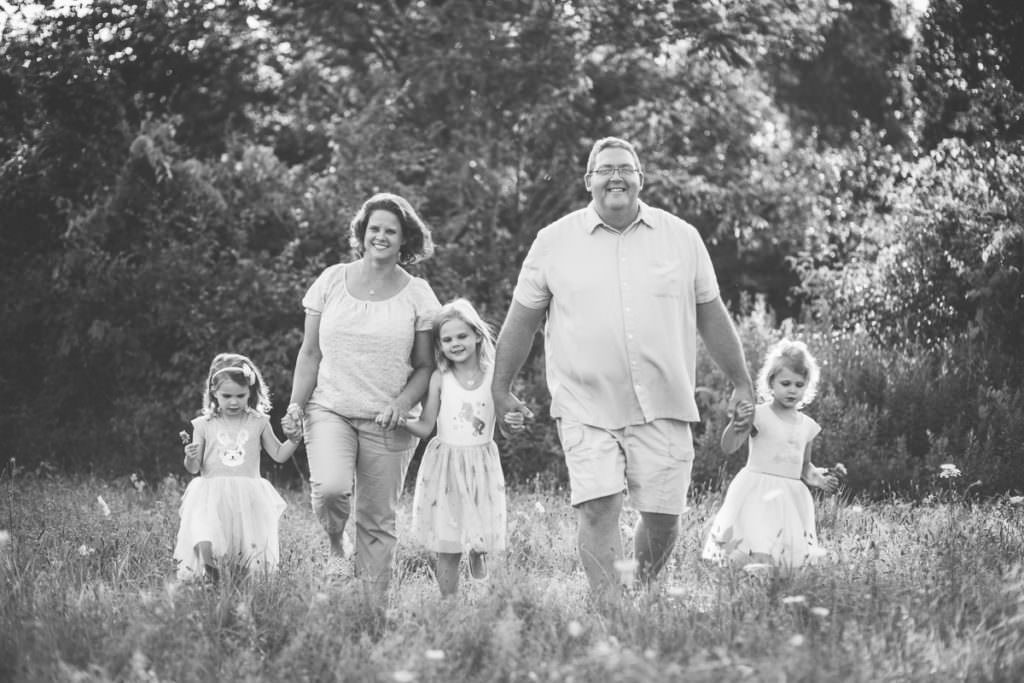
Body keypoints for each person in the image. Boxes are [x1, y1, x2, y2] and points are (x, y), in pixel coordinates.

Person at [492, 136, 755, 601]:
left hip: (665, 402)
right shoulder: (554, 242)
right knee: (598, 507)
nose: (616, 176)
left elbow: (712, 314)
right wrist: (501, 388)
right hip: (585, 403)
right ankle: (611, 614)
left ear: (640, 178)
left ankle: (638, 589)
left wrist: (741, 381)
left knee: (662, 519)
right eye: (605, 168)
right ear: (588, 181)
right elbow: (522, 321)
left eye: (625, 168)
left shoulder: (682, 238)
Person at [282, 192, 440, 593]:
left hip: (389, 420)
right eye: (375, 229)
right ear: (362, 233)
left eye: (391, 230)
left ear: (405, 239)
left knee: (376, 518)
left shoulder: (418, 293)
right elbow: (310, 352)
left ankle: (370, 607)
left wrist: (402, 403)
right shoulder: (331, 280)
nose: (381, 236)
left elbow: (425, 366)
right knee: (331, 489)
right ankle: (337, 546)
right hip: (330, 408)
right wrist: (295, 405)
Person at [402, 298, 523, 597]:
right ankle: (449, 604)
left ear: (478, 336)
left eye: (461, 336)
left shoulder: (496, 376)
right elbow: (426, 425)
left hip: (481, 466)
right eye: (447, 339)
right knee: (448, 542)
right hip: (446, 467)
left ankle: (480, 586)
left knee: (480, 541)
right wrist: (401, 420)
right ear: (439, 346)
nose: (455, 343)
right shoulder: (439, 378)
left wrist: (514, 422)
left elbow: (507, 429)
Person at [702, 339, 839, 569]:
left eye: (799, 384)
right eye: (785, 383)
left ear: (807, 386)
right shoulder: (758, 415)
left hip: (789, 496)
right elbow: (728, 446)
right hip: (757, 489)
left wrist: (818, 479)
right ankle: (749, 570)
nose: (792, 390)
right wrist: (736, 424)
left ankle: (770, 577)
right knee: (754, 542)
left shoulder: (808, 426)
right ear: (771, 382)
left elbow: (803, 465)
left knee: (784, 555)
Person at [174, 353, 298, 582]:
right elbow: (194, 468)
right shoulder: (204, 424)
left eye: (240, 396)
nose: (234, 402)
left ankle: (239, 577)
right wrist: (189, 457)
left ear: (250, 393)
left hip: (247, 493)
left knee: (244, 538)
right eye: (227, 396)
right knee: (204, 528)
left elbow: (279, 455)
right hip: (210, 491)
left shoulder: (258, 422)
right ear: (214, 393)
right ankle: (209, 569)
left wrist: (294, 440)